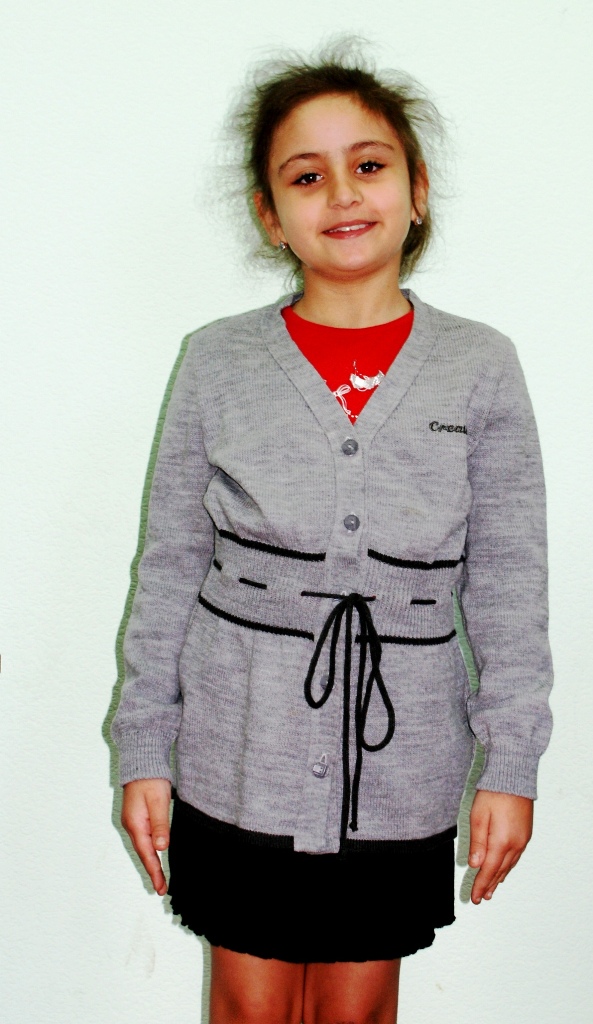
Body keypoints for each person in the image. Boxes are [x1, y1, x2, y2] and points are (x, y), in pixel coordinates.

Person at [112, 39, 553, 1024]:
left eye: (369, 164)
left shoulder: (480, 366)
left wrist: (510, 764)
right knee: (249, 1005)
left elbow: (509, 583)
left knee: (358, 1010)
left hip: (402, 764)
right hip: (237, 748)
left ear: (416, 189)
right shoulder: (216, 362)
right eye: (305, 176)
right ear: (270, 214)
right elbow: (170, 564)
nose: (343, 194)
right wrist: (145, 745)